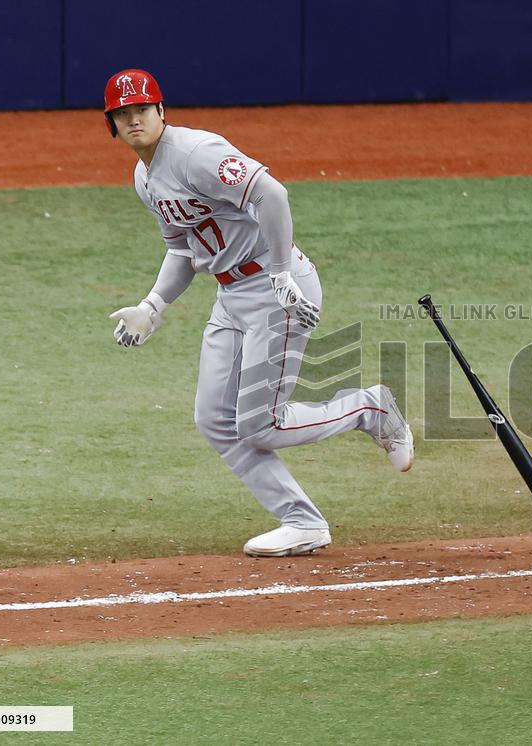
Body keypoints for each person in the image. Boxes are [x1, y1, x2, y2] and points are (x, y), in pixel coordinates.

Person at [104, 69, 413, 558]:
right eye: (123, 113)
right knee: (214, 419)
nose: (134, 118)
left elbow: (273, 194)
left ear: (162, 112)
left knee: (260, 424)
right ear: (112, 125)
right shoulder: (145, 178)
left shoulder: (195, 154)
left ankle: (370, 409)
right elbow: (184, 250)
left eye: (142, 109)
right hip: (231, 296)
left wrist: (281, 271)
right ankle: (302, 521)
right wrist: (153, 305)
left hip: (277, 289)